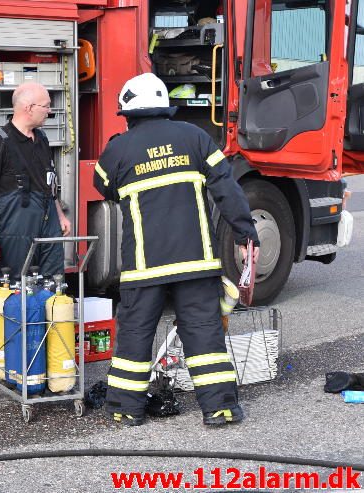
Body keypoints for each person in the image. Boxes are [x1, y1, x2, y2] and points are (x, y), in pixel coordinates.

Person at [94, 73, 260, 426]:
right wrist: (247, 235)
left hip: (144, 266)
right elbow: (227, 190)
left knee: (135, 336)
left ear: (128, 112)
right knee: (204, 333)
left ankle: (126, 409)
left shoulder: (118, 149)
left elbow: (103, 187)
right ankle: (220, 408)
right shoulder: (196, 138)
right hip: (195, 262)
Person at [0, 81, 71, 279]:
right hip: (15, 231)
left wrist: (59, 215)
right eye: (46, 106)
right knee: (18, 288)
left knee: (53, 283)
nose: (49, 111)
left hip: (48, 223)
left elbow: (48, 182)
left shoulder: (41, 139)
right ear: (28, 108)